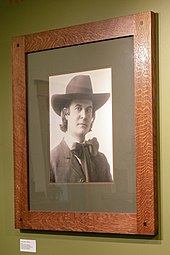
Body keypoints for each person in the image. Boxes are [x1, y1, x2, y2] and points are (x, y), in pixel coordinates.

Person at [50, 74, 112, 183]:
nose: (84, 115)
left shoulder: (101, 160)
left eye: (88, 110)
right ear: (66, 114)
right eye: (78, 108)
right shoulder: (52, 160)